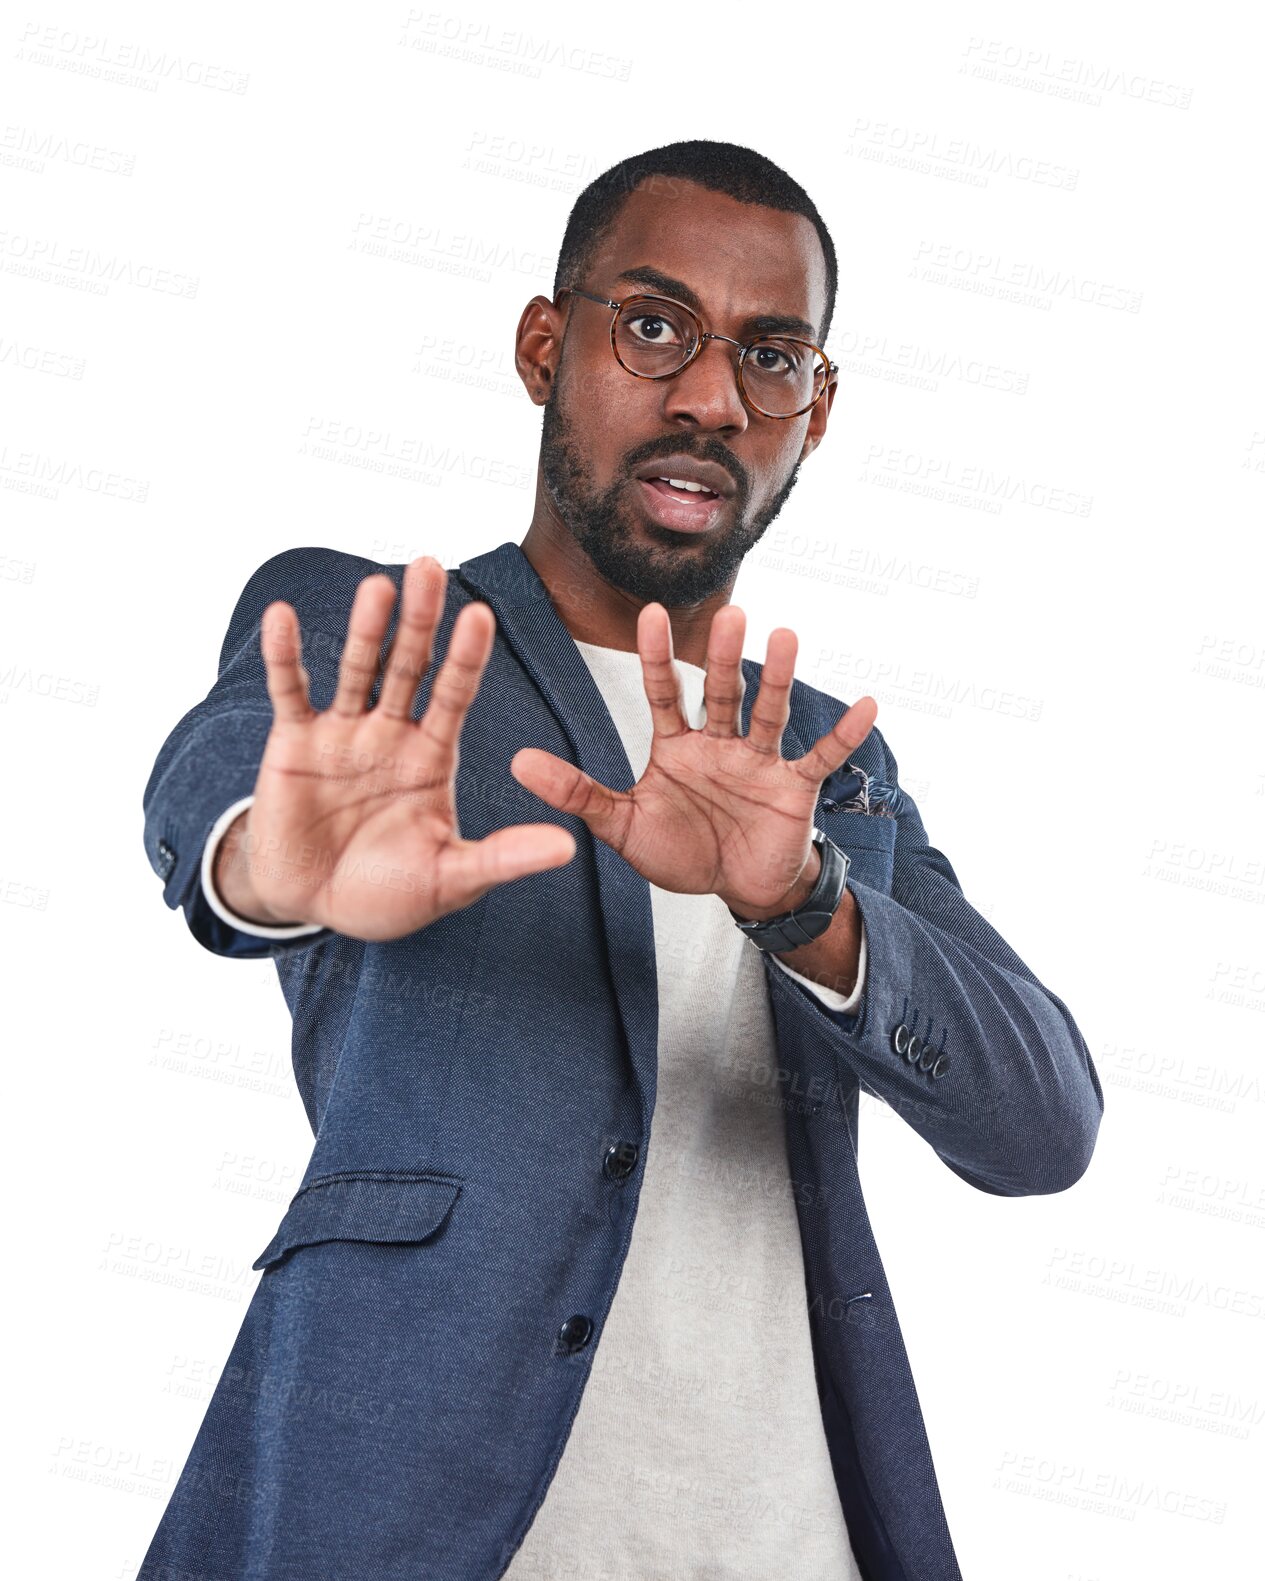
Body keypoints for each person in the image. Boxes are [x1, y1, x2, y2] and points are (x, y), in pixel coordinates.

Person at [138, 139, 1103, 1581]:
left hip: (791, 1537)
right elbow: (224, 781)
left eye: (769, 355)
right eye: (652, 327)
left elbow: (1042, 1123)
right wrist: (262, 865)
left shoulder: (826, 763)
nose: (709, 397)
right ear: (545, 344)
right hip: (414, 1520)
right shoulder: (390, 640)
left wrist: (805, 904)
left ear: (816, 408)